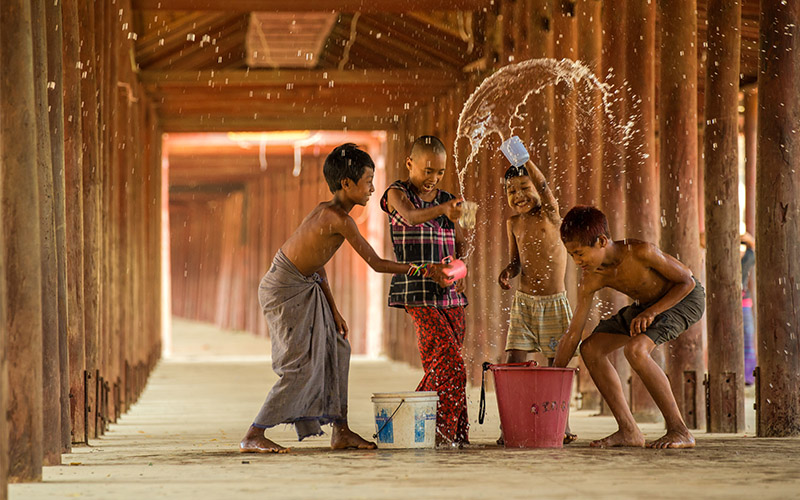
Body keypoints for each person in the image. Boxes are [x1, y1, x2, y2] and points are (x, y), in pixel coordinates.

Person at [240, 143, 450, 453]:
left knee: (338, 348)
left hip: (306, 283)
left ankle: (341, 430)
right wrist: (424, 270)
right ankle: (254, 433)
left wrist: (334, 310)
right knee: (300, 366)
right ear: (346, 184)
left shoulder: (333, 213)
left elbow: (317, 264)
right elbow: (377, 264)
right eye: (367, 181)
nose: (372, 188)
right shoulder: (337, 218)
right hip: (284, 288)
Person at [554, 206, 705, 449]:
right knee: (590, 349)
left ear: (602, 241)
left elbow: (686, 281)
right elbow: (574, 333)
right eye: (571, 255)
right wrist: (553, 378)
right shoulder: (591, 278)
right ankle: (629, 430)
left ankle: (679, 430)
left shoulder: (640, 252)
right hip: (645, 306)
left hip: (684, 298)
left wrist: (652, 312)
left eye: (580, 254)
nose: (576, 261)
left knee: (636, 350)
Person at [380, 135, 469, 446]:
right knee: (451, 366)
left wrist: (457, 262)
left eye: (440, 172)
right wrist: (445, 209)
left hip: (450, 294)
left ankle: (450, 434)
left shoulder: (446, 200)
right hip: (417, 290)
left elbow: (461, 245)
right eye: (427, 170)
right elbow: (412, 217)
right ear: (410, 164)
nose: (433, 179)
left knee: (445, 365)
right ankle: (429, 429)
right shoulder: (397, 193)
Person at [497, 160, 575, 444]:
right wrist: (508, 272)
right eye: (511, 190)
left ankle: (560, 425)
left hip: (554, 303)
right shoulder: (513, 223)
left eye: (524, 187)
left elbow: (544, 186)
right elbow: (516, 262)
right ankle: (510, 427)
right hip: (525, 304)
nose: (518, 195)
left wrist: (525, 160)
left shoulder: (551, 215)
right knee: (513, 362)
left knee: (558, 365)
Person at [740, 232, 756, 385]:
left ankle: (748, 377)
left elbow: (753, 249)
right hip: (728, 303)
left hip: (744, 302)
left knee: (748, 337)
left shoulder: (747, 257)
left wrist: (750, 242)